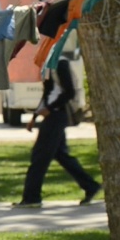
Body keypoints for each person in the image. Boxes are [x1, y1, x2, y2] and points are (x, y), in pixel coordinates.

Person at [12, 54, 102, 208]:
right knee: (61, 155)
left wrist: (50, 109)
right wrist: (35, 116)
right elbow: (48, 93)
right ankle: (90, 186)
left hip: (58, 115)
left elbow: (69, 92)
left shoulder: (60, 64)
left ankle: (32, 197)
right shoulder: (47, 65)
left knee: (40, 156)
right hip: (52, 114)